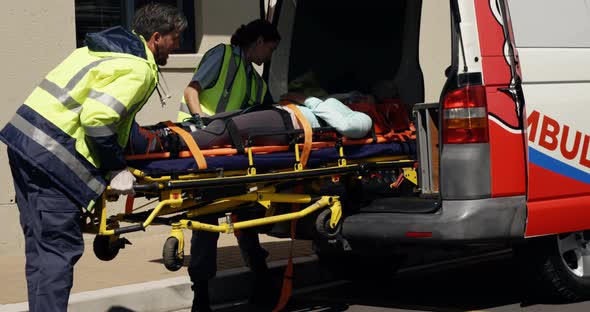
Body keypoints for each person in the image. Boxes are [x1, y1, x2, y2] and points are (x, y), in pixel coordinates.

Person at [0, 3, 187, 311]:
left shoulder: (99, 50)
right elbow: (98, 119)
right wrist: (116, 168)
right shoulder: (138, 68)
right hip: (52, 160)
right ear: (156, 37)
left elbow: (103, 114)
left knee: (41, 251)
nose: (177, 46)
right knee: (58, 251)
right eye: (175, 38)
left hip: (24, 146)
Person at [175, 19, 280, 312]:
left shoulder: (255, 81)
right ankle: (202, 295)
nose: (269, 57)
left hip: (230, 156)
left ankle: (260, 279)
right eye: (270, 49)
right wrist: (201, 127)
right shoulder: (222, 55)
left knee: (245, 213)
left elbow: (271, 112)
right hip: (202, 152)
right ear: (258, 41)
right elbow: (191, 91)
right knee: (207, 220)